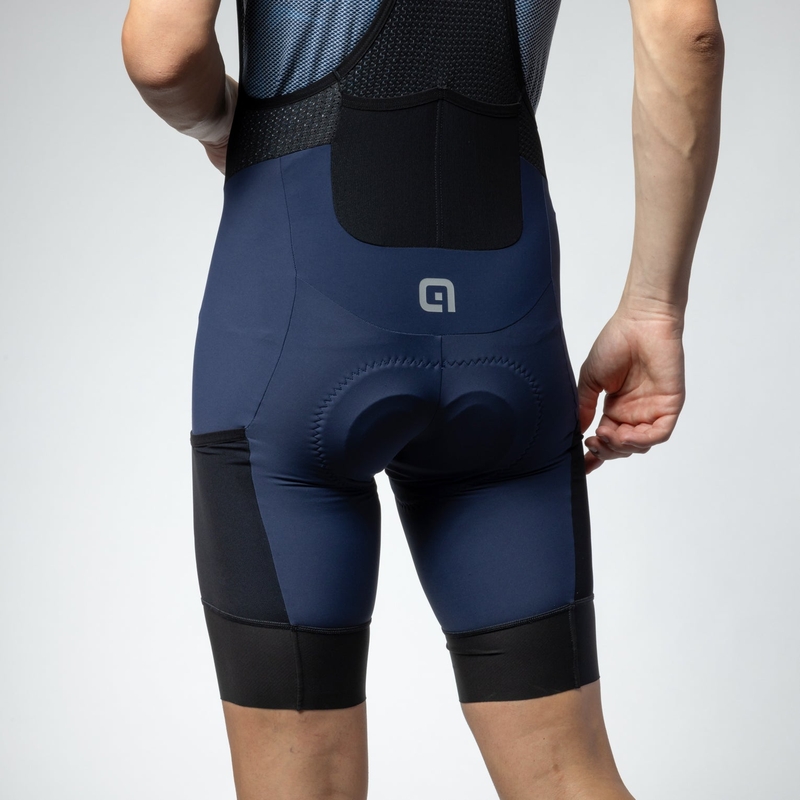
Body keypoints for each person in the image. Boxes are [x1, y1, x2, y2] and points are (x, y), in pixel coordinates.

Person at [121, 1, 723, 798]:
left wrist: (225, 122)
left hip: (298, 321)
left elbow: (162, 52)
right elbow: (689, 31)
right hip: (506, 322)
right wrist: (654, 308)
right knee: (563, 770)